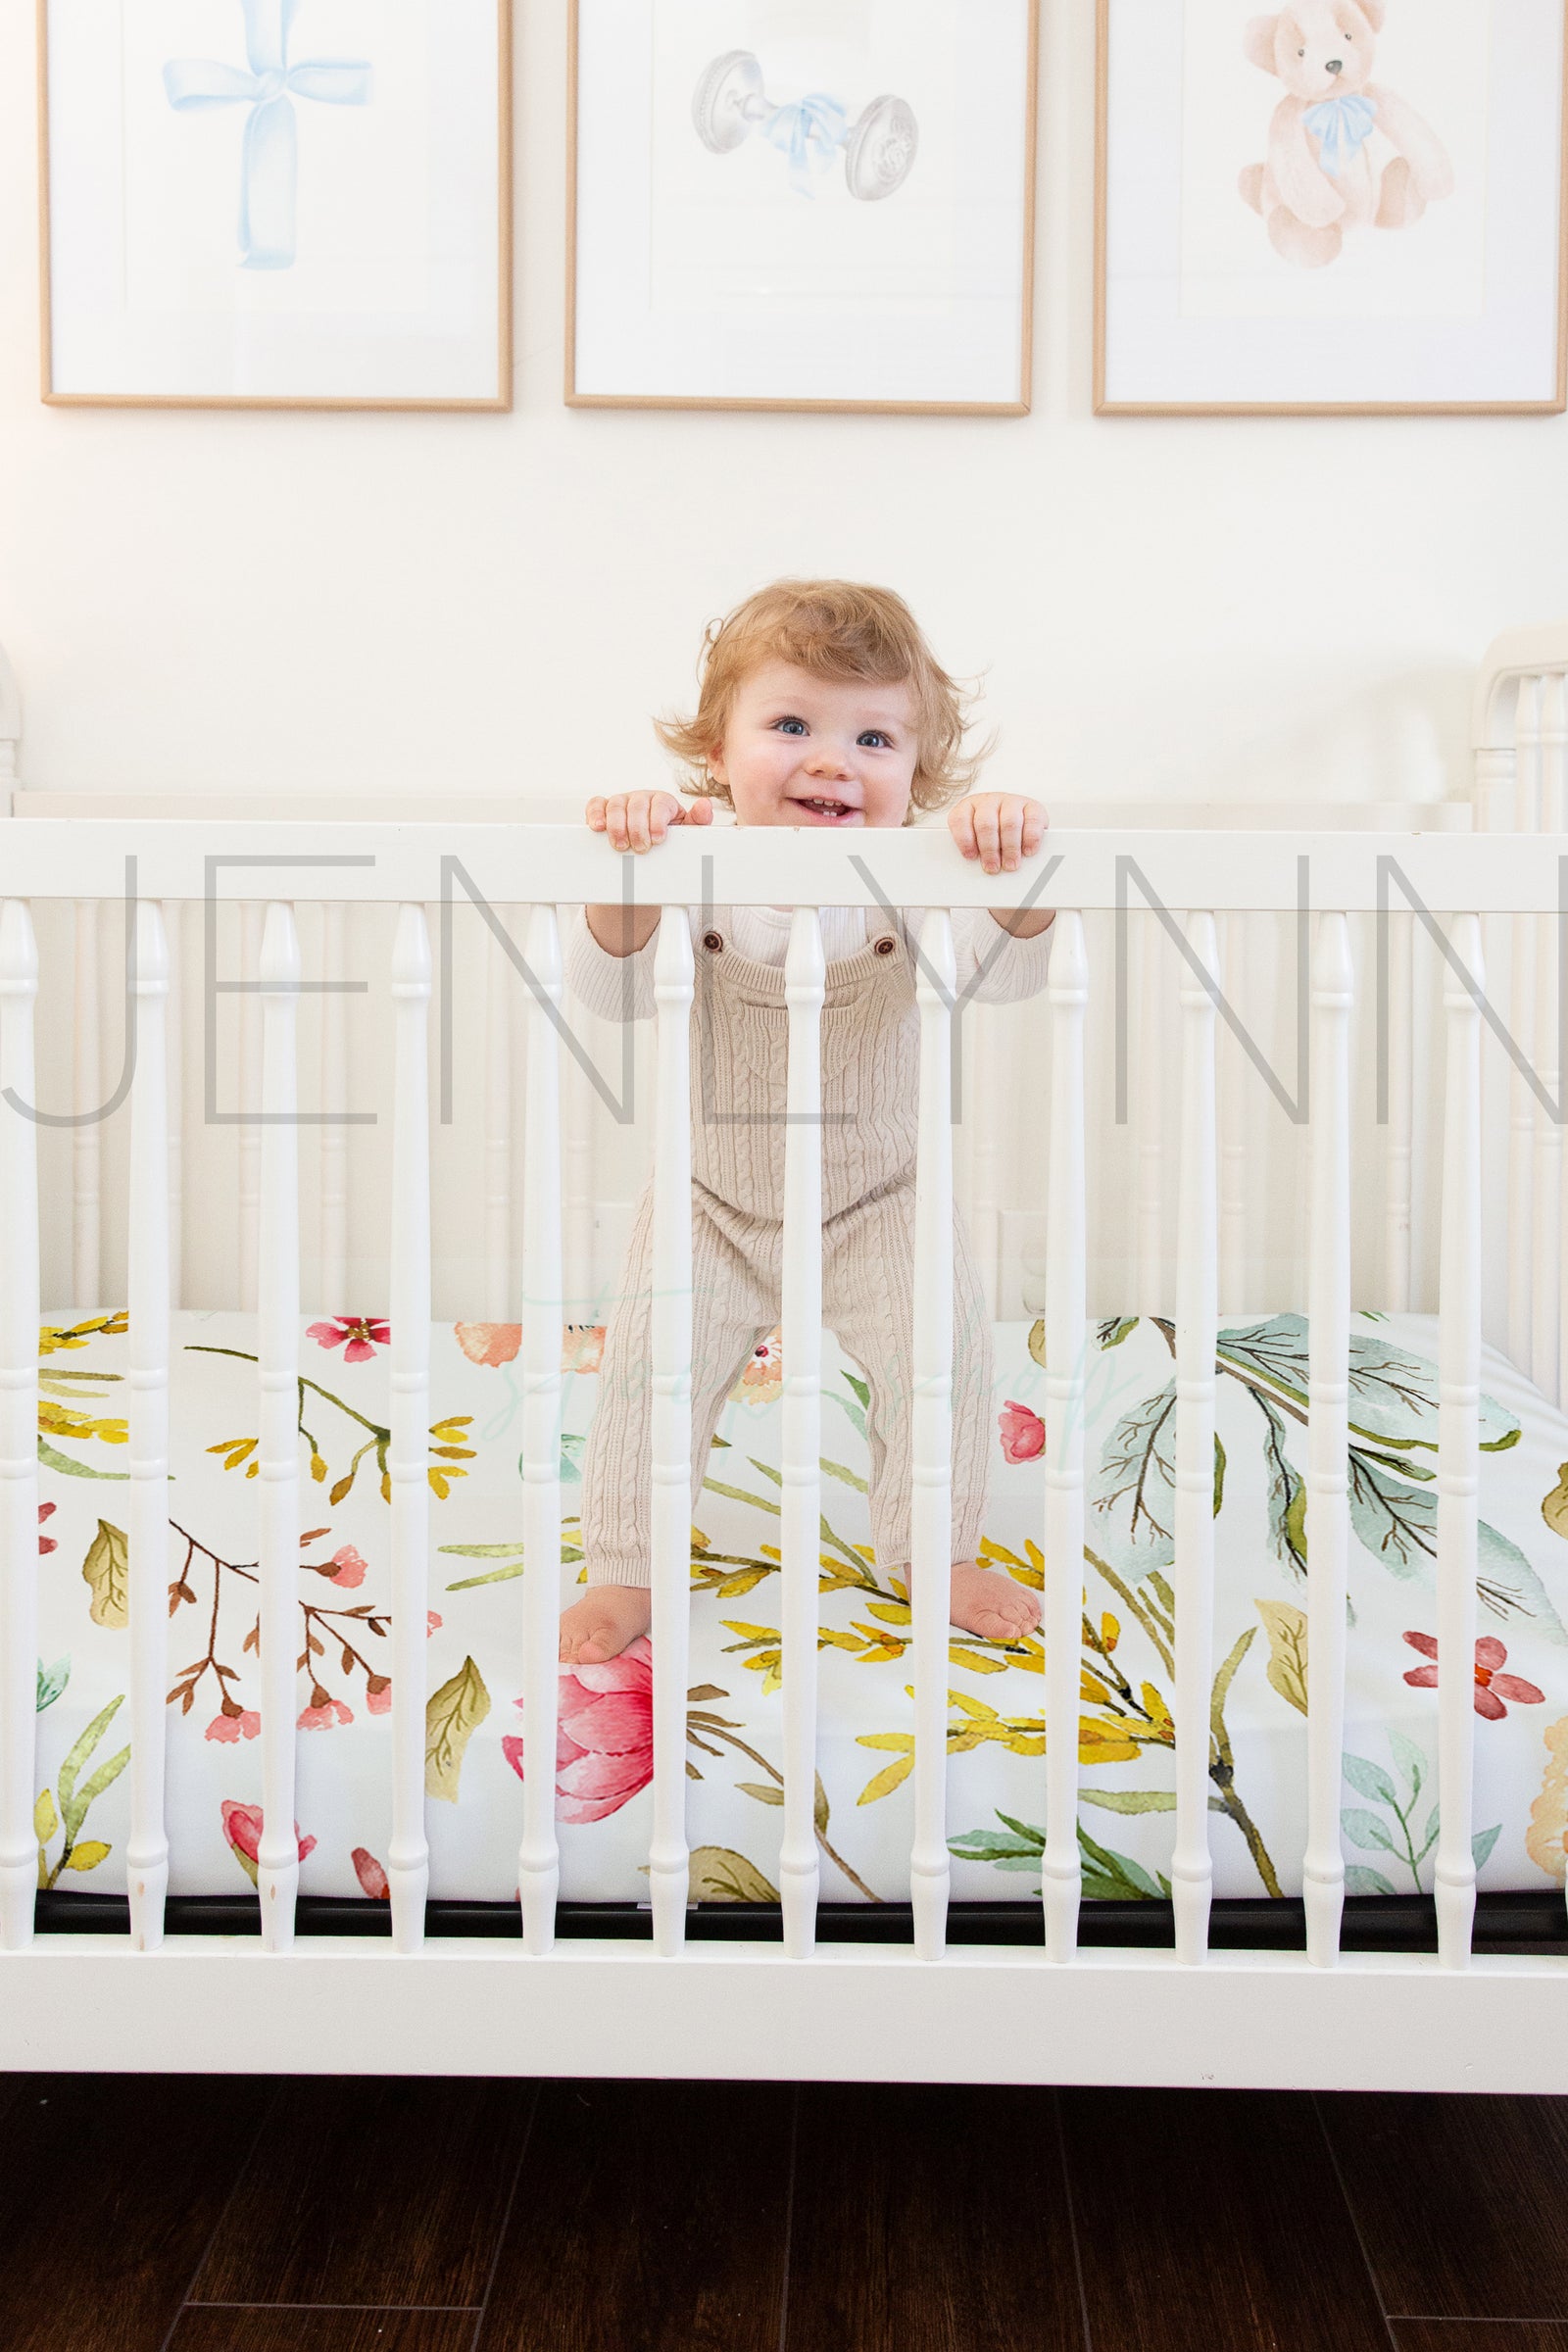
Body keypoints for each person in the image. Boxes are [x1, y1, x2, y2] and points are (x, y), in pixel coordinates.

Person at [558, 578, 1055, 1667]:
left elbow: (1008, 973)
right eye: (790, 726)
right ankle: (629, 1563)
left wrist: (1018, 869)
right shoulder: (690, 865)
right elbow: (610, 991)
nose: (832, 760)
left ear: (918, 778)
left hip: (883, 1196)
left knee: (944, 1360)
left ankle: (934, 1549)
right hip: (711, 1198)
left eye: (873, 737)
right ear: (715, 748)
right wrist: (630, 865)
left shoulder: (923, 881)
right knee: (650, 1372)